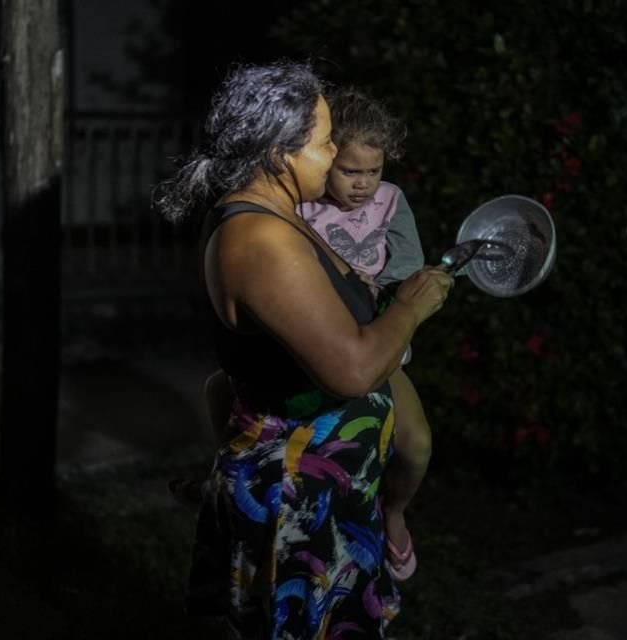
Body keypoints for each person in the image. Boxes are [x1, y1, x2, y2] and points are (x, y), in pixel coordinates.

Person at [154, 61, 453, 639]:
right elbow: (354, 370)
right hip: (303, 500)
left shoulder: (277, 215)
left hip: (331, 488)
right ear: (278, 153)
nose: (333, 150)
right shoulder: (261, 240)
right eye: (323, 142)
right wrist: (409, 308)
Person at [297, 87, 430, 584]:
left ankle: (394, 512)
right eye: (351, 171)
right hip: (322, 351)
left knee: (416, 445)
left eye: (372, 172)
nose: (363, 185)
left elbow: (409, 265)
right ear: (328, 159)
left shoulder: (391, 201)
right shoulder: (304, 207)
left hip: (382, 351)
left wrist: (391, 289)